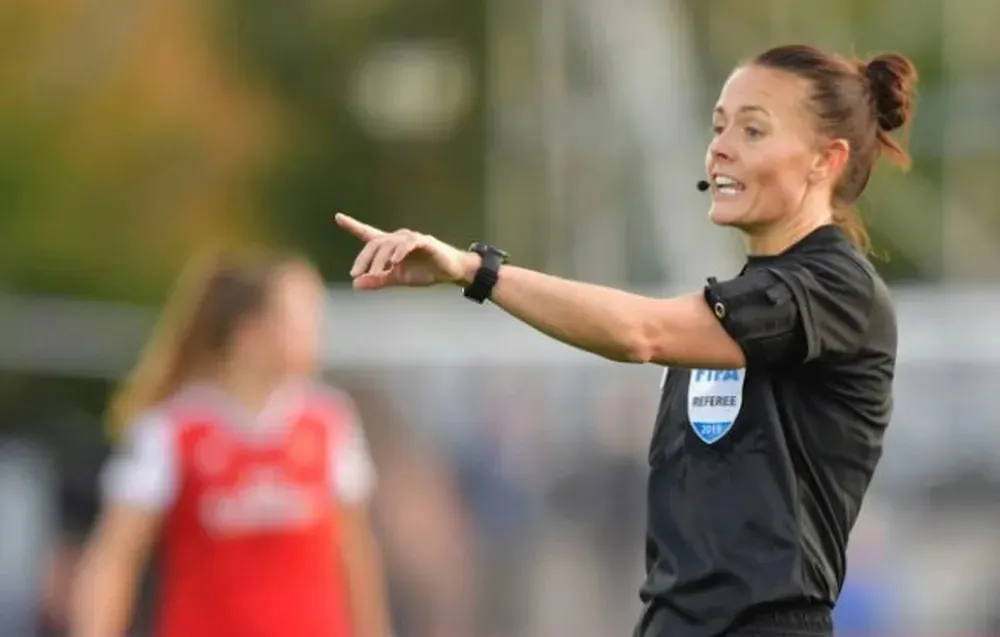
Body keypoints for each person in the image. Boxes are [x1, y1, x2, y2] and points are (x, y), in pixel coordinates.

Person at [334, 43, 917, 637]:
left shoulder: (836, 289)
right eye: (718, 127)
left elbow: (641, 333)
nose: (721, 147)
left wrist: (474, 270)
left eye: (753, 130)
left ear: (826, 160)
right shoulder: (740, 301)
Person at [70, 250, 392, 637]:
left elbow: (356, 559)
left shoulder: (330, 422)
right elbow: (114, 560)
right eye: (302, 323)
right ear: (250, 334)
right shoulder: (173, 431)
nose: (317, 335)